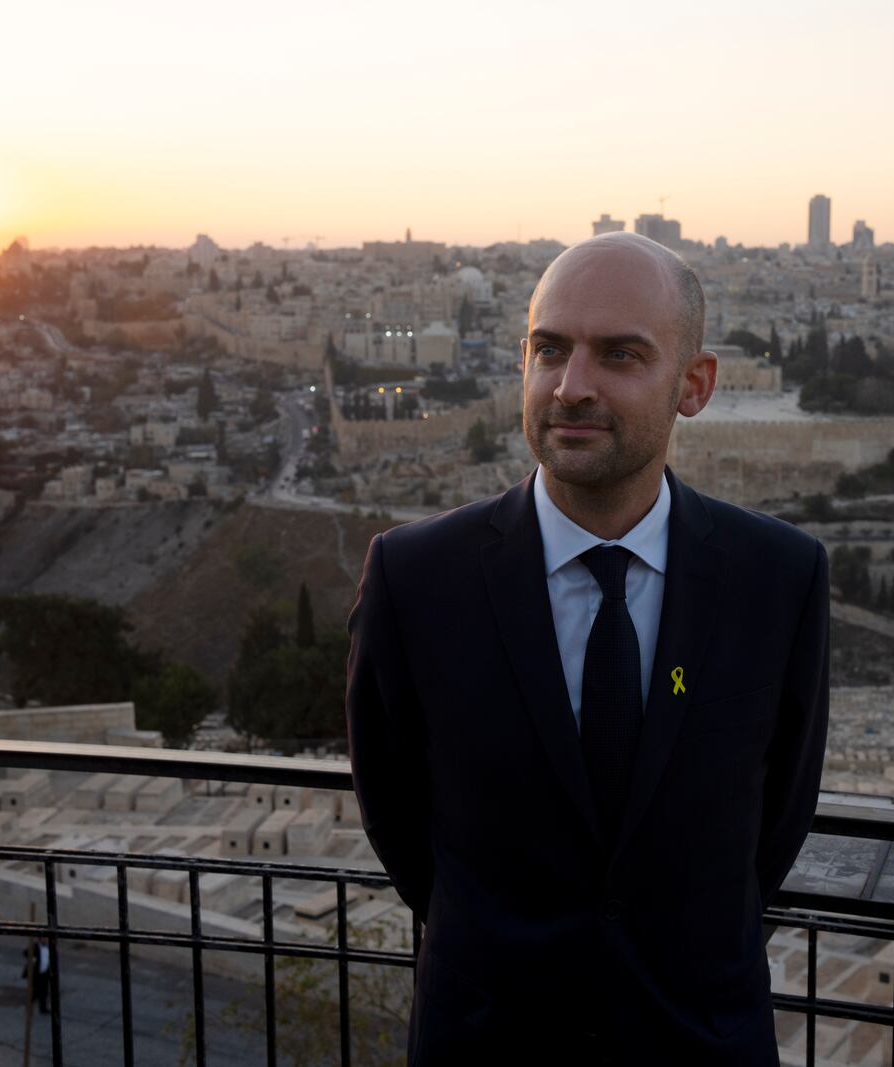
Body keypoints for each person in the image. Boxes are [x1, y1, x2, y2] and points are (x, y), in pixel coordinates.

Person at [346, 231, 829, 1064]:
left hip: (697, 1045)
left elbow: (777, 817)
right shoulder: (416, 579)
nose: (572, 386)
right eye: (549, 350)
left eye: (619, 355)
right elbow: (395, 812)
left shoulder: (777, 578)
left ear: (695, 385)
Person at [22, 937, 51, 1014]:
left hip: (44, 973)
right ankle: (29, 1006)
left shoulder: (49, 947)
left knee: (44, 992)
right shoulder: (35, 946)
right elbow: (25, 953)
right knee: (35, 992)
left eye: (46, 939)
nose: (45, 940)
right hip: (36, 974)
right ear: (39, 940)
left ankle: (43, 1008)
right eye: (43, 939)